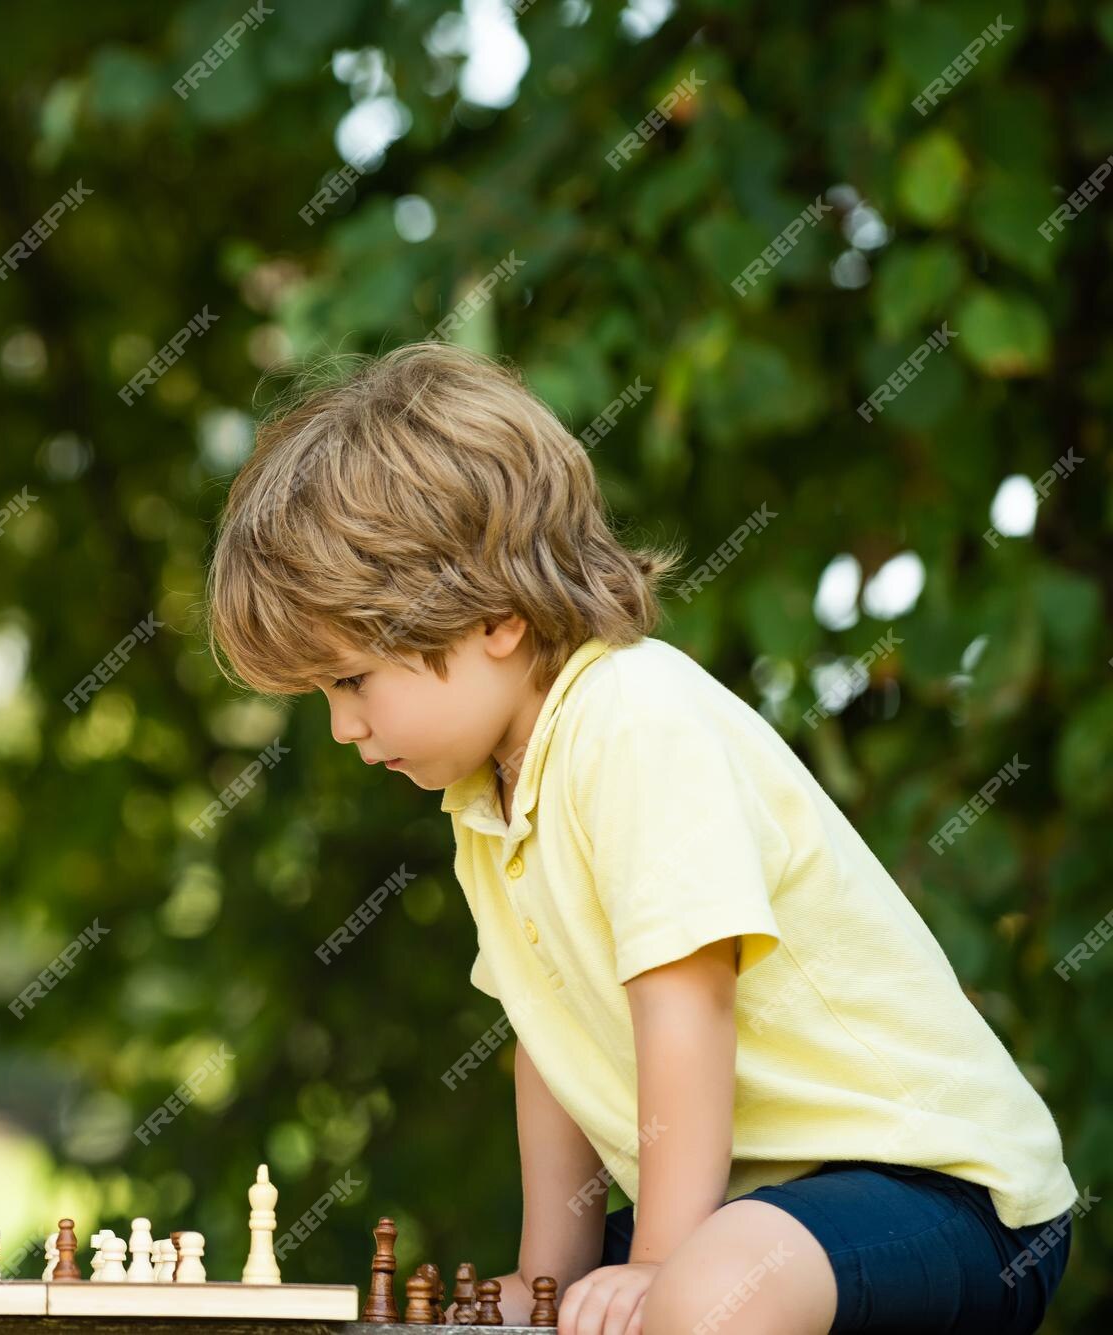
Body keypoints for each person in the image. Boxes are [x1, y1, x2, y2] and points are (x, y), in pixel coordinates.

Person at [203, 342, 1075, 1334]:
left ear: (491, 618)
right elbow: (552, 1047)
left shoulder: (631, 717)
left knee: (700, 1295)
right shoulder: (484, 803)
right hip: (751, 1212)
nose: (342, 728)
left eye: (351, 681)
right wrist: (547, 1280)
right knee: (482, 1321)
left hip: (932, 1189)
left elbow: (685, 1009)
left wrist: (655, 1260)